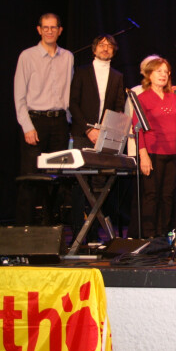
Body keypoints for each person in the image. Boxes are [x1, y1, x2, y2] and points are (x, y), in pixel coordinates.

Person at [13, 13, 74, 225]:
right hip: (35, 121)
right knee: (29, 178)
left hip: (59, 123)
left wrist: (68, 122)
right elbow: (19, 96)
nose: (49, 31)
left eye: (53, 27)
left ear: (60, 30)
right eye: (45, 28)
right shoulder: (27, 56)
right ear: (39, 30)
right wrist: (27, 127)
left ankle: (51, 229)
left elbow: (68, 92)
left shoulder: (67, 57)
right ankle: (23, 229)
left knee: (56, 178)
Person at [68, 34, 126, 241]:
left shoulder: (117, 76)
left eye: (109, 46)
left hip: (105, 135)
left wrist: (105, 131)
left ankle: (93, 233)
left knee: (99, 183)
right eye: (101, 45)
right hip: (83, 133)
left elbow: (119, 107)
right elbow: (73, 102)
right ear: (94, 49)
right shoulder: (82, 72)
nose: (105, 48)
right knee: (81, 182)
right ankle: (77, 232)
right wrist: (88, 129)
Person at [136, 58, 176, 238]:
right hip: (152, 152)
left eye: (165, 71)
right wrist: (143, 155)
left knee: (168, 196)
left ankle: (163, 234)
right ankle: (149, 234)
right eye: (158, 71)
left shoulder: (173, 97)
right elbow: (137, 128)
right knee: (152, 194)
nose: (162, 75)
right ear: (149, 75)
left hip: (172, 153)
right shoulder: (142, 98)